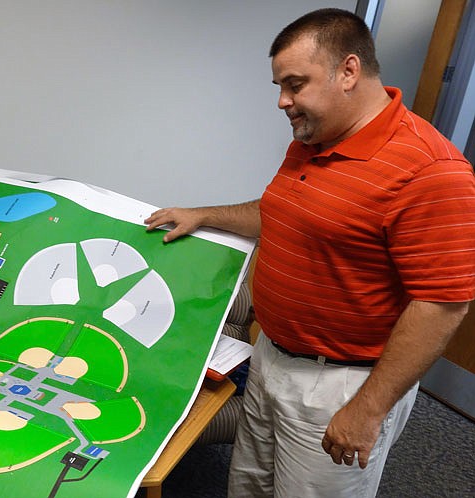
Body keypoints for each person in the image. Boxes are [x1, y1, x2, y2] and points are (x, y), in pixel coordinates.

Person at [145, 8, 475, 498]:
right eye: (280, 86)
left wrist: (367, 409)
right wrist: (204, 214)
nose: (283, 101)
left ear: (348, 71)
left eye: (295, 84)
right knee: (250, 487)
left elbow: (442, 303)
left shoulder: (432, 171)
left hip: (343, 383)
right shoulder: (314, 139)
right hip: (271, 356)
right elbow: (283, 211)